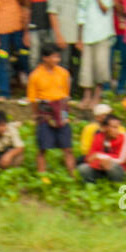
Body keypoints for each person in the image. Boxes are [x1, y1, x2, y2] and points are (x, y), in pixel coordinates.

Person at [27, 44, 75, 176]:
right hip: (45, 112)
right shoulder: (35, 75)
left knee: (67, 147)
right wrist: (37, 114)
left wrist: (65, 112)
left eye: (58, 57)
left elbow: (66, 94)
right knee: (43, 147)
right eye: (54, 57)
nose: (56, 60)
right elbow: (33, 99)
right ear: (45, 58)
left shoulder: (63, 73)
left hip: (61, 110)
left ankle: (72, 175)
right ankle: (42, 175)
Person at [76, 0, 114, 111]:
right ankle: (87, 95)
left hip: (102, 35)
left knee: (100, 66)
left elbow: (105, 9)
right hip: (87, 36)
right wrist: (79, 38)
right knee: (86, 68)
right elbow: (80, 19)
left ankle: (97, 95)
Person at [76, 113, 126, 182]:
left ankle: (115, 183)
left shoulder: (124, 137)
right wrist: (100, 162)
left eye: (117, 127)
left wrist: (100, 156)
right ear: (105, 128)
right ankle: (92, 183)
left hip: (118, 168)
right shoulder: (99, 136)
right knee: (82, 168)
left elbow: (121, 159)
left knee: (111, 165)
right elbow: (90, 157)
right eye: (114, 127)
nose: (117, 131)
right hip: (99, 167)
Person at [47, 0, 79, 72]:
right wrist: (58, 35)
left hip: (76, 32)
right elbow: (52, 14)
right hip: (62, 32)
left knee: (76, 61)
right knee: (62, 62)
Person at [23, 0, 53, 71]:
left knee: (47, 56)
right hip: (34, 27)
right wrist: (26, 32)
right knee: (34, 57)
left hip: (48, 27)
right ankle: (34, 82)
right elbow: (26, 10)